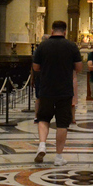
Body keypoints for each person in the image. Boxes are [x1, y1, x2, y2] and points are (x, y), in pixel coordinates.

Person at [33, 20, 82, 166]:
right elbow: (79, 67)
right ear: (65, 31)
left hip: (46, 88)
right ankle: (59, 156)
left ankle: (42, 144)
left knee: (43, 118)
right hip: (64, 90)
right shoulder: (71, 46)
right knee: (62, 123)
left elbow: (35, 67)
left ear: (52, 30)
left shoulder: (43, 45)